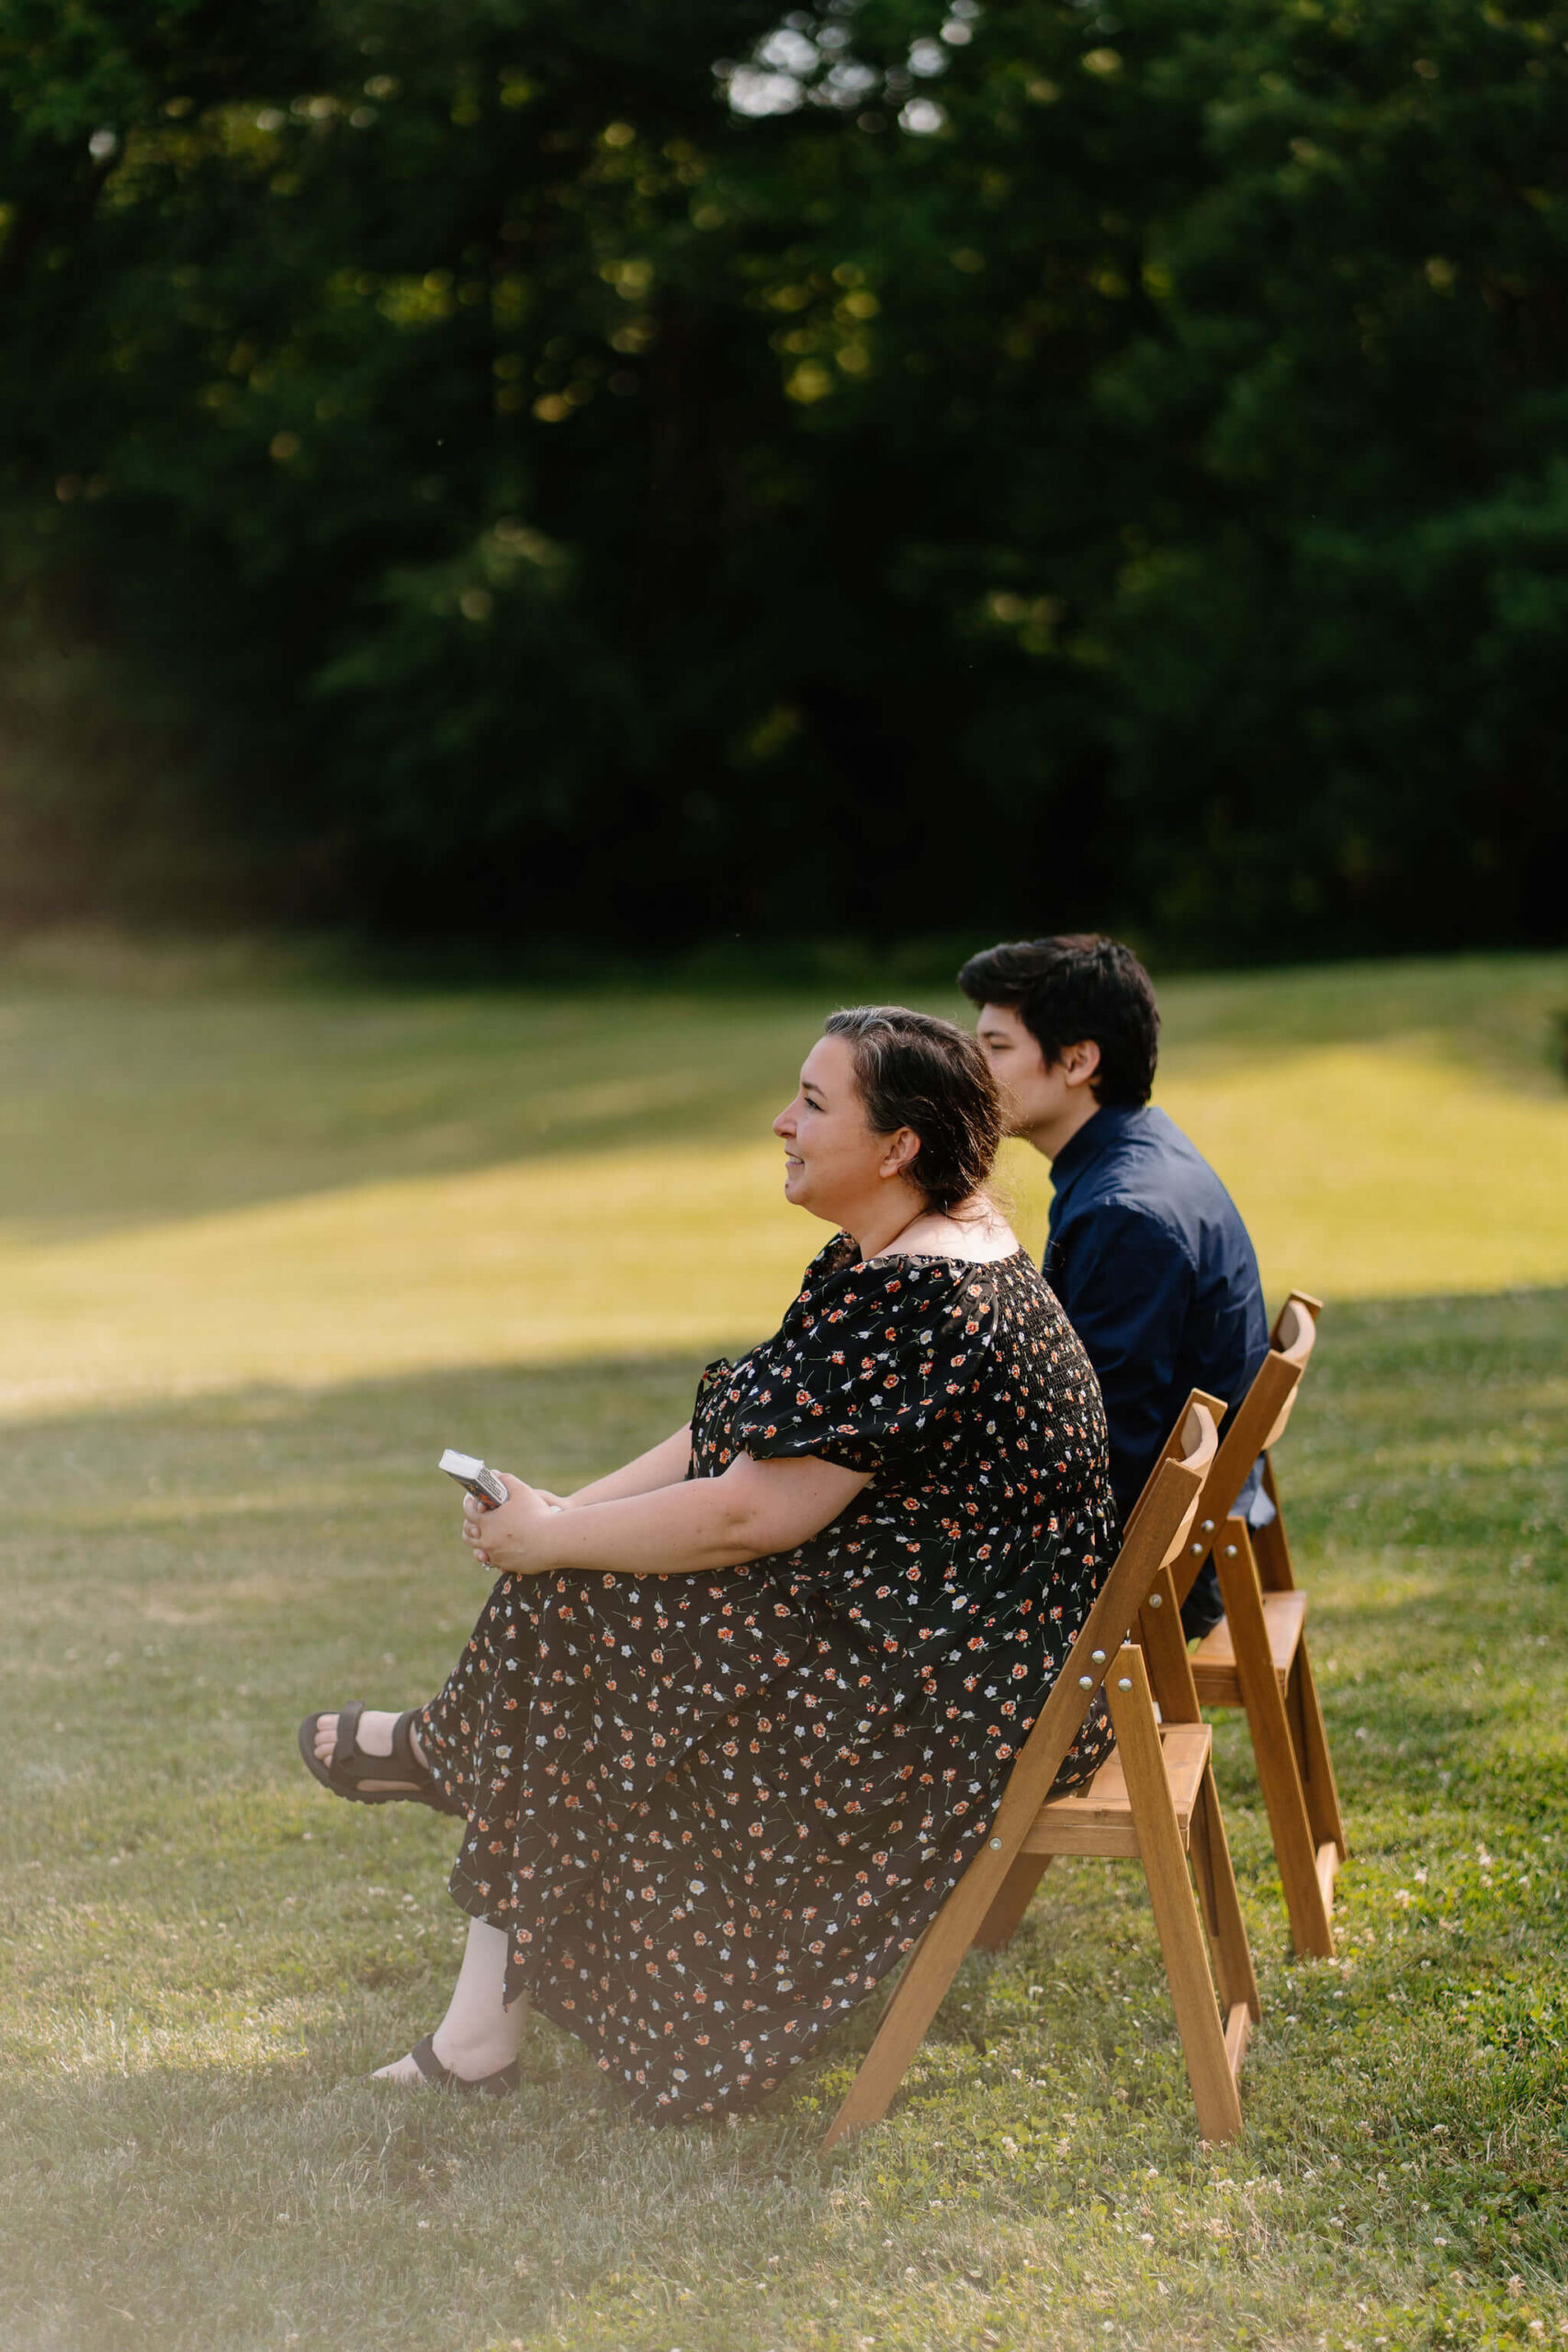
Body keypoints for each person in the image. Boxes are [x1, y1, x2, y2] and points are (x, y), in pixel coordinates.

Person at [299, 1005, 1117, 2116]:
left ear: (898, 1147)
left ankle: (454, 1783)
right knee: (575, 1599)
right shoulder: (908, 1253)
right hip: (937, 1642)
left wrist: (551, 1544)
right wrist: (557, 1519)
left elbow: (751, 1516)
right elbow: (734, 1427)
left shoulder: (925, 1298)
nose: (783, 1123)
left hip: (950, 1708)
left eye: (814, 1104)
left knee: (578, 1621)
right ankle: (463, 1867)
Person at [957, 934, 1269, 1639]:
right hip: (1191, 1542)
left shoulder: (1124, 1214)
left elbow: (1098, 1453)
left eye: (996, 1047)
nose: (972, 1069)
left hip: (1155, 1579)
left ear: (1078, 1060)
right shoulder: (1137, 1158)